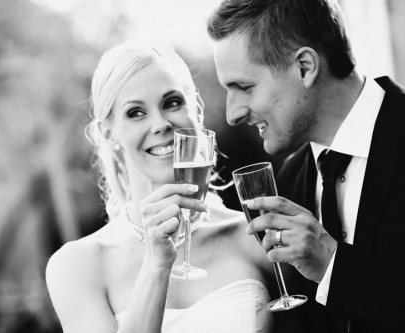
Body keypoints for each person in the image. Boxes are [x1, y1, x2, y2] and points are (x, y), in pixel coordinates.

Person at [207, 0, 405, 332]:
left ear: (305, 66)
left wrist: (331, 264)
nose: (233, 114)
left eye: (245, 87)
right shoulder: (286, 183)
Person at [45, 40, 278, 333]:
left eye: (172, 103)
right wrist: (156, 264)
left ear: (196, 110)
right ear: (109, 132)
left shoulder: (252, 236)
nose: (160, 124)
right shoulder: (77, 265)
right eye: (135, 113)